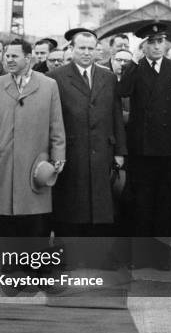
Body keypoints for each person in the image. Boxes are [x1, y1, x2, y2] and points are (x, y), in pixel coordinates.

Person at [118, 23, 171, 270]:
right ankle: (140, 257)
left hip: (169, 150)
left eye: (161, 41)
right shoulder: (137, 70)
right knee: (141, 202)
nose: (157, 46)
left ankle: (160, 258)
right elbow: (122, 90)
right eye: (152, 42)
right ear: (144, 46)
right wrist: (135, 62)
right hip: (141, 150)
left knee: (164, 204)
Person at [47, 28, 126, 237]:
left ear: (97, 51)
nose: (86, 52)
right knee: (71, 206)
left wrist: (119, 151)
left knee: (100, 206)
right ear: (71, 49)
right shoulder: (55, 78)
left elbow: (116, 114)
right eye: (81, 48)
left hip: (102, 151)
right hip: (71, 153)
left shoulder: (108, 77)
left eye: (91, 48)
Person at [0, 39, 65, 237]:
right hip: (5, 160)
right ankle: (9, 264)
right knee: (6, 215)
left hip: (37, 161)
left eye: (14, 56)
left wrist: (58, 155)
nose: (8, 60)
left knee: (36, 218)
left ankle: (36, 263)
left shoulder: (48, 85)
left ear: (28, 59)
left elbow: (56, 123)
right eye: (7, 56)